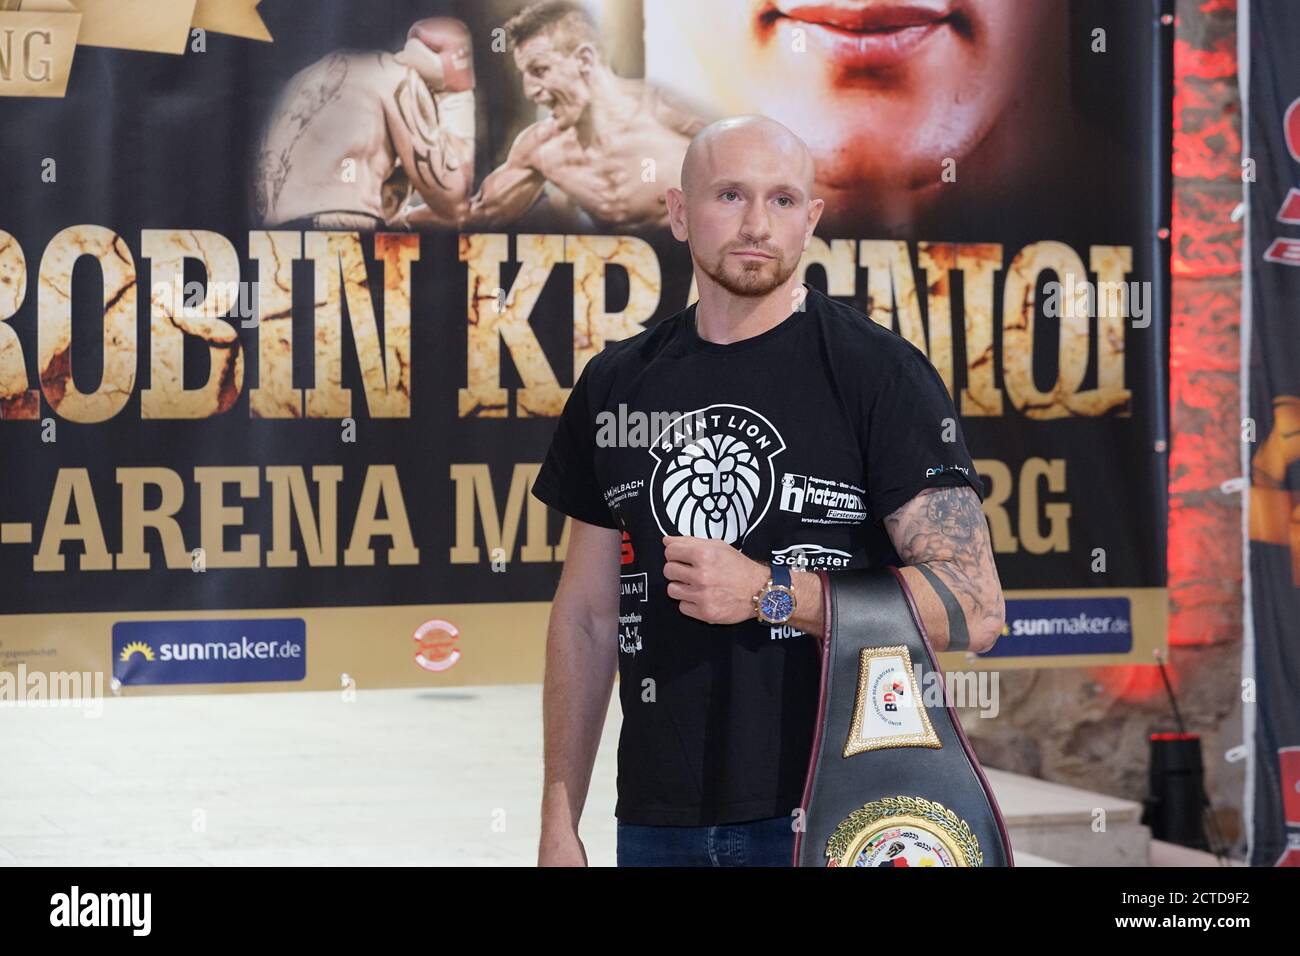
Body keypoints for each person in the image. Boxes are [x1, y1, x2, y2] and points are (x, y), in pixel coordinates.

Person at [530, 116, 1004, 867]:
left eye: (783, 200)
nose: (757, 224)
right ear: (680, 213)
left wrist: (769, 592)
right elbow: (587, 618)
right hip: (657, 823)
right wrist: (560, 822)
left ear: (811, 220)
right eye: (730, 195)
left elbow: (974, 605)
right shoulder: (616, 384)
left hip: (838, 811)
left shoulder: (878, 374)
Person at [400, 0, 707, 232]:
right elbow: (477, 212)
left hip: (701, 292)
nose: (531, 90)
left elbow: (748, 175)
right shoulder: (542, 148)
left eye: (540, 70)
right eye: (525, 75)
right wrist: (396, 220)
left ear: (584, 60)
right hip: (622, 294)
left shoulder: (663, 112)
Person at [255, 17, 476, 231]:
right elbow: (454, 201)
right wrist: (456, 93)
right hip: (344, 237)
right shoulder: (392, 73)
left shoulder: (294, 87)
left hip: (277, 247)